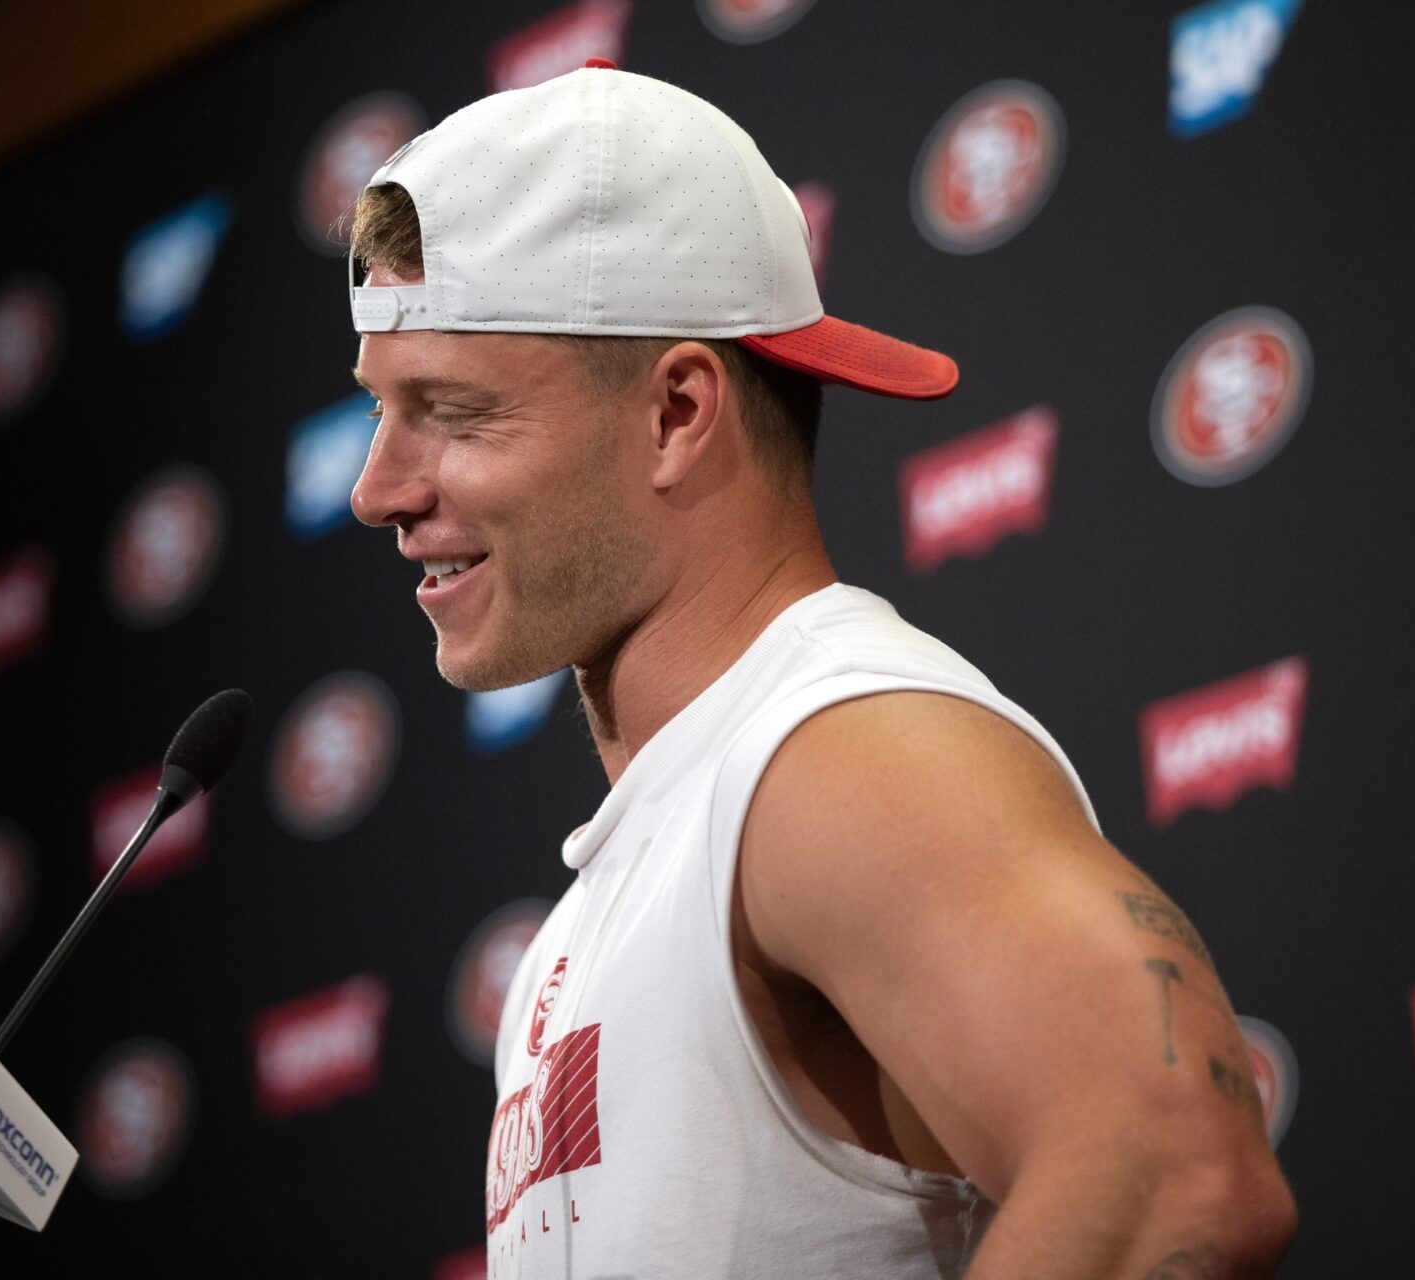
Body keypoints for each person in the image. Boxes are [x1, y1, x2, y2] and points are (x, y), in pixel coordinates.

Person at [345, 63, 1296, 1279]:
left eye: (452, 411)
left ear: (677, 412)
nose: (376, 489)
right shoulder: (634, 870)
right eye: (379, 411)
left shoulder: (831, 752)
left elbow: (1175, 1171)